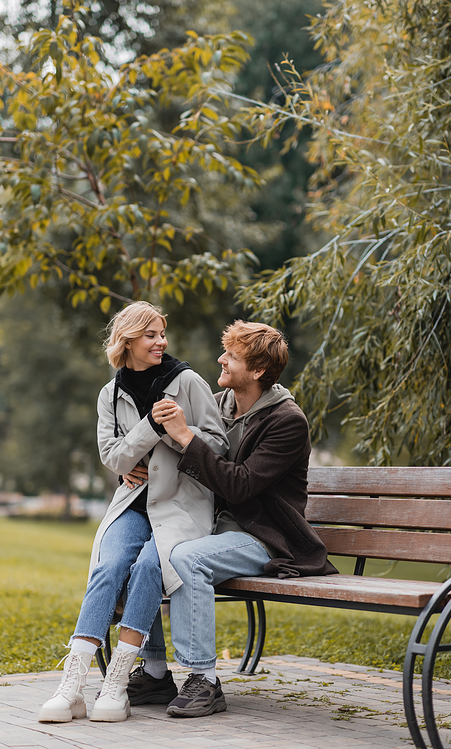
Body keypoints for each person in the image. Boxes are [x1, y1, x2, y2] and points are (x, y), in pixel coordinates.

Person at [124, 320, 337, 717]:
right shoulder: (221, 407)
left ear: (257, 371)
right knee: (148, 556)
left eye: (232, 357)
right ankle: (154, 673)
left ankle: (204, 681)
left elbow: (239, 486)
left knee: (187, 558)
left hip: (265, 536)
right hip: (213, 527)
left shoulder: (286, 421)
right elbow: (179, 453)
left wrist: (187, 437)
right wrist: (131, 464)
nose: (220, 360)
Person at [38, 301, 228, 724]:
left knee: (146, 567)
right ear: (127, 341)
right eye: (151, 335)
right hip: (133, 503)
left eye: (163, 334)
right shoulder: (110, 393)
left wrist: (179, 429)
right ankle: (71, 687)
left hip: (181, 506)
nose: (161, 342)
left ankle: (118, 684)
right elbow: (115, 458)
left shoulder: (189, 382)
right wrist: (150, 428)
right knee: (109, 567)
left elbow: (218, 447)